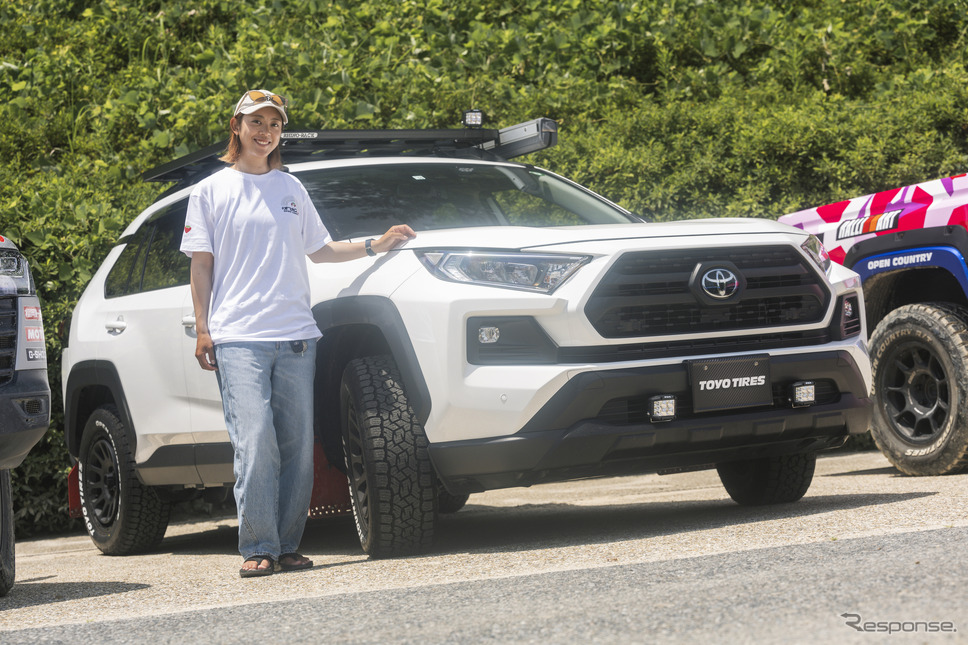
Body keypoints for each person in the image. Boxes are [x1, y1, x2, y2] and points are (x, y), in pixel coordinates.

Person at [180, 89, 415, 578]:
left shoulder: (290, 188)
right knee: (255, 443)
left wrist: (376, 244)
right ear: (237, 126)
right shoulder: (210, 191)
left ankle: (286, 546)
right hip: (238, 337)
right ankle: (258, 546)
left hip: (295, 337)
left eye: (274, 124)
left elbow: (321, 250)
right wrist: (203, 329)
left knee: (297, 449)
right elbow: (201, 265)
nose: (265, 132)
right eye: (256, 122)